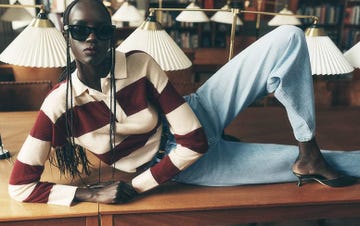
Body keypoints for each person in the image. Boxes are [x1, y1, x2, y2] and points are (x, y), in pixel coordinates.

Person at [8, 0, 359, 206]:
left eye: (102, 31)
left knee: (288, 36)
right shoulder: (59, 105)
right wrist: (88, 194)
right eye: (80, 31)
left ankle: (307, 149)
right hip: (186, 164)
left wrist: (135, 187)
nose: (92, 39)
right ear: (66, 35)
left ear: (112, 35)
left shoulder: (140, 64)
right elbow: (21, 185)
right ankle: (312, 161)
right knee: (341, 165)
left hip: (199, 110)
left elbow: (193, 136)